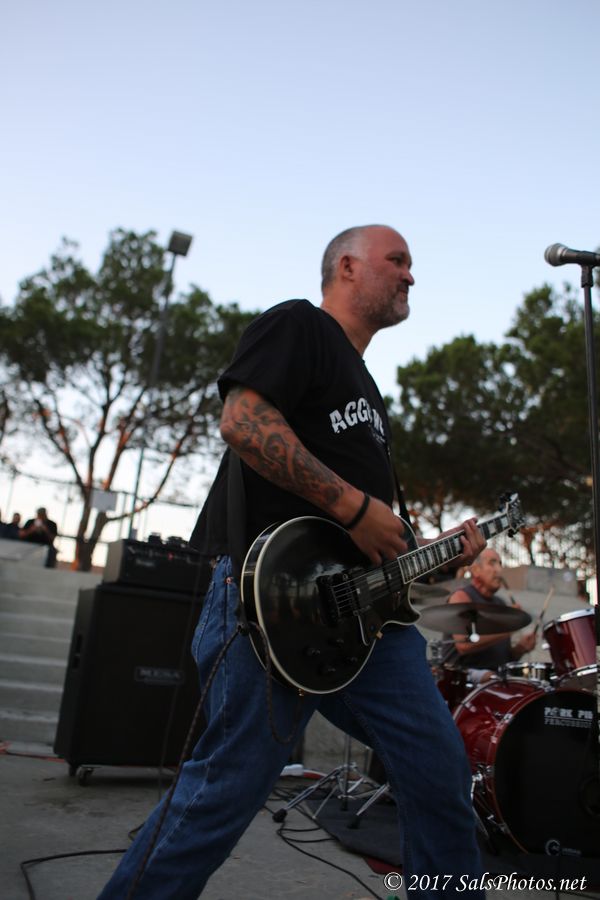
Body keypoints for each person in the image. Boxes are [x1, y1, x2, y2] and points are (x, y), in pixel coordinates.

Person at [97, 225, 486, 900]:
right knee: (228, 788)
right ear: (347, 266)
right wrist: (355, 507)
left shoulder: (368, 390)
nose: (410, 275)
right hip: (268, 604)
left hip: (363, 623)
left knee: (438, 768)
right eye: (397, 260)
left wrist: (440, 551)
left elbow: (369, 539)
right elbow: (243, 421)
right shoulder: (299, 326)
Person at [443, 548, 536, 682]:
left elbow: (503, 658)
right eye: (492, 563)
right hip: (462, 678)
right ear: (475, 570)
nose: (498, 570)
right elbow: (464, 645)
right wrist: (509, 627)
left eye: (500, 564)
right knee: (493, 678)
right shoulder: (461, 597)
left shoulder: (501, 604)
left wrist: (521, 649)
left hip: (495, 678)